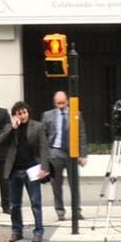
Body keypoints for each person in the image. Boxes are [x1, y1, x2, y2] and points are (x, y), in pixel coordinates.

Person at [4, 101, 48, 242]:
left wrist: (44, 168)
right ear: (15, 115)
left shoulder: (38, 126)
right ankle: (17, 231)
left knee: (35, 203)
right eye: (19, 113)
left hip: (32, 170)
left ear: (28, 113)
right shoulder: (10, 128)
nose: (22, 116)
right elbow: (0, 141)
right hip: (14, 171)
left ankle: (38, 231)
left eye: (24, 112)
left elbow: (44, 148)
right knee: (14, 204)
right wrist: (13, 128)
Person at [42, 90, 80, 223]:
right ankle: (60, 212)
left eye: (63, 103)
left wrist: (83, 154)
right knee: (56, 184)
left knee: (74, 183)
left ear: (67, 101)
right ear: (55, 103)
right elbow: (44, 136)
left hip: (72, 153)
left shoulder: (76, 114)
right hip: (55, 152)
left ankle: (77, 211)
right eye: (58, 103)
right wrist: (46, 156)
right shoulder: (47, 115)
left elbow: (81, 134)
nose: (61, 105)